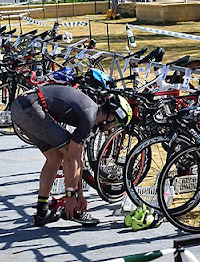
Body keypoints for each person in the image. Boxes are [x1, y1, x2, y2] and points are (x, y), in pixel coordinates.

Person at [11, 85, 132, 226]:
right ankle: (73, 210)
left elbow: (76, 161)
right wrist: (71, 197)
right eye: (116, 124)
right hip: (30, 108)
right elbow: (72, 158)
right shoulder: (89, 117)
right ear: (110, 117)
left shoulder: (92, 113)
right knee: (70, 152)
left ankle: (42, 211)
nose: (113, 129)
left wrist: (79, 195)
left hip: (20, 107)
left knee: (55, 157)